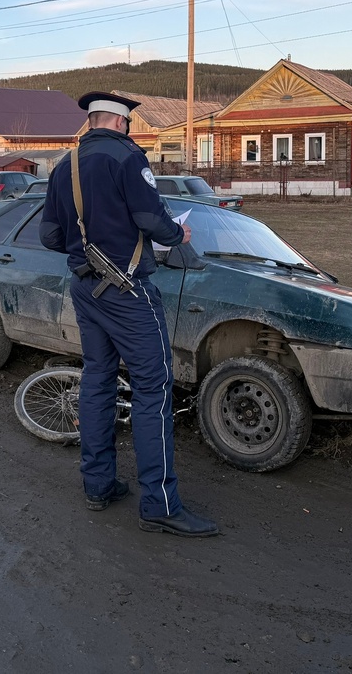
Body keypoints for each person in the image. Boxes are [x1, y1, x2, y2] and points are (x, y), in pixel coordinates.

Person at [40, 91, 218, 538]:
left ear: (93, 122)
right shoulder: (127, 158)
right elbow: (153, 221)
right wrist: (178, 232)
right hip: (128, 290)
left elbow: (48, 236)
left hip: (85, 287)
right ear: (122, 124)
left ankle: (98, 486)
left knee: (98, 379)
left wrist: (90, 241)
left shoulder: (65, 165)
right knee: (153, 389)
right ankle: (159, 504)